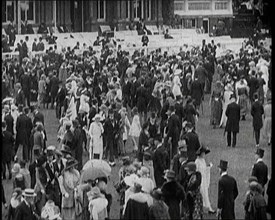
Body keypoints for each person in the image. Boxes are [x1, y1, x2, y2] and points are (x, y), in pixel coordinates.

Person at [195, 146, 215, 214]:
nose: (204, 155)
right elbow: (197, 171)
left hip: (204, 179)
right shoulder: (197, 161)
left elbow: (204, 169)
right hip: (200, 179)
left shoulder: (203, 160)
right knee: (202, 193)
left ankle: (208, 207)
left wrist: (208, 167)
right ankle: (204, 207)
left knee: (205, 193)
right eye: (203, 153)